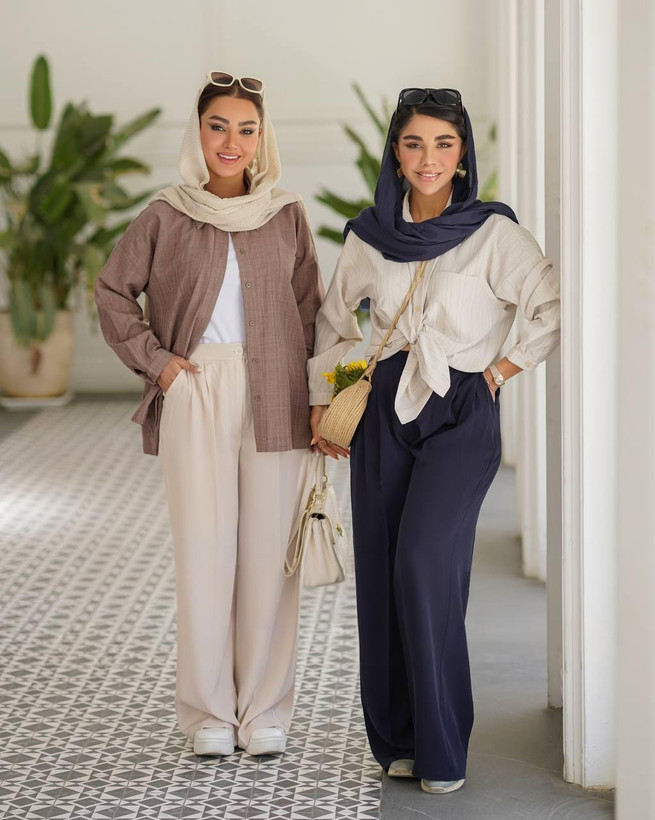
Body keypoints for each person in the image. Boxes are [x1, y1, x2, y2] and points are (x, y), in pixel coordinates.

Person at [307, 87, 560, 794]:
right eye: (414, 143)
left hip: (460, 407)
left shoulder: (494, 234)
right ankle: (397, 738)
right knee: (383, 567)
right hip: (383, 408)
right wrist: (329, 396)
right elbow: (333, 320)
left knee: (424, 564)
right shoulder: (369, 235)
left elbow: (550, 306)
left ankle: (442, 747)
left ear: (462, 154)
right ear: (396, 151)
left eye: (444, 144)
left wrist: (501, 371)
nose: (429, 158)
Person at [95, 72, 323, 758]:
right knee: (204, 551)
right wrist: (158, 363)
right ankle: (208, 714)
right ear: (198, 132)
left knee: (269, 558)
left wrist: (318, 400)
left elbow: (311, 311)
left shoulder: (286, 213)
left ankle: (264, 710)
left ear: (262, 138)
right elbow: (112, 291)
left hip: (278, 390)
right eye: (218, 126)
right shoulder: (166, 214)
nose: (232, 141)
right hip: (197, 386)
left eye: (246, 129)